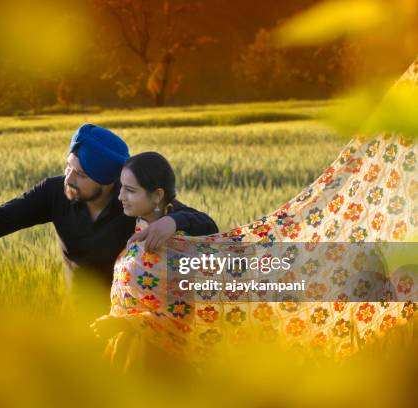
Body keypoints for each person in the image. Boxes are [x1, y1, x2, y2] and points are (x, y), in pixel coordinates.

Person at [92, 121, 417, 367]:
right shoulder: (130, 224)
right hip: (122, 354)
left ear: (158, 196)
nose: (120, 196)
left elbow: (185, 305)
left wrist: (174, 221)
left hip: (160, 361)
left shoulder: (186, 237)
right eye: (120, 188)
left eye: (130, 190)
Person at [0, 123, 219, 315]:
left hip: (128, 327)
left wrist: (171, 222)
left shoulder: (131, 199)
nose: (69, 179)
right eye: (68, 166)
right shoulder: (54, 193)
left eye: (79, 174)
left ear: (108, 181)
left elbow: (206, 224)